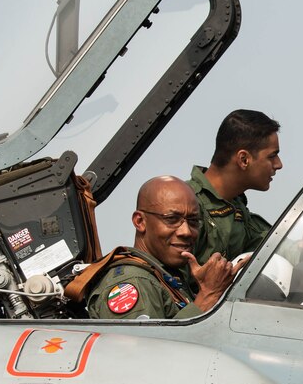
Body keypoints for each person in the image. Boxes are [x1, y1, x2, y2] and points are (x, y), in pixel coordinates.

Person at [83, 176, 236, 320]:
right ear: (140, 221)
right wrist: (209, 294)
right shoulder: (134, 282)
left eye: (194, 221)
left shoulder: (164, 276)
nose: (187, 231)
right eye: (171, 219)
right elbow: (141, 348)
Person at [188, 109, 282, 263]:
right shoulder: (186, 206)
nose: (279, 165)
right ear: (244, 159)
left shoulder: (236, 207)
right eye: (272, 156)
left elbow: (271, 247)